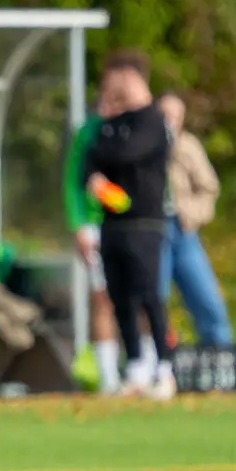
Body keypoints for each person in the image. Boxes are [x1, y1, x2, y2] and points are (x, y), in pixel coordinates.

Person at [83, 49, 175, 400]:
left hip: (145, 221)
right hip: (113, 222)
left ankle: (164, 368)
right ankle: (135, 364)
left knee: (149, 294)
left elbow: (123, 153)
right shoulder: (110, 122)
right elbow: (90, 158)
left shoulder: (152, 120)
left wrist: (106, 148)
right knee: (120, 295)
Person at [64, 94, 159, 393]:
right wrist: (78, 224)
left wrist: (125, 204)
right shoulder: (90, 132)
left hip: (131, 226)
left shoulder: (141, 129)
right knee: (105, 298)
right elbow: (73, 180)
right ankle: (109, 378)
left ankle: (148, 370)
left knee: (143, 296)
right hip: (97, 226)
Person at [156, 92, 235, 347]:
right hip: (153, 232)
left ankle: (221, 359)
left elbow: (209, 188)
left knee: (207, 300)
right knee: (154, 299)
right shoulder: (142, 145)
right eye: (164, 115)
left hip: (183, 231)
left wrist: (188, 212)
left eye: (175, 116)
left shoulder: (188, 146)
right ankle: (155, 362)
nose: (170, 121)